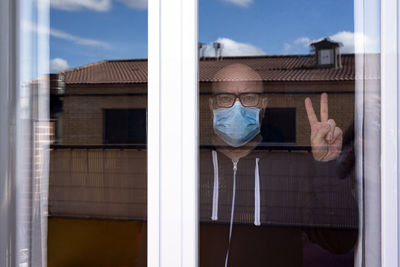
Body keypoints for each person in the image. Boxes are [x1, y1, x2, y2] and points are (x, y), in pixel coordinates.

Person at [136, 63, 358, 267]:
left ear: (263, 106)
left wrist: (327, 164)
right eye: (225, 98)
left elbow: (340, 241)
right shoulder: (185, 168)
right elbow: (153, 246)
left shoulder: (291, 170)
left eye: (249, 98)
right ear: (212, 105)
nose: (237, 108)